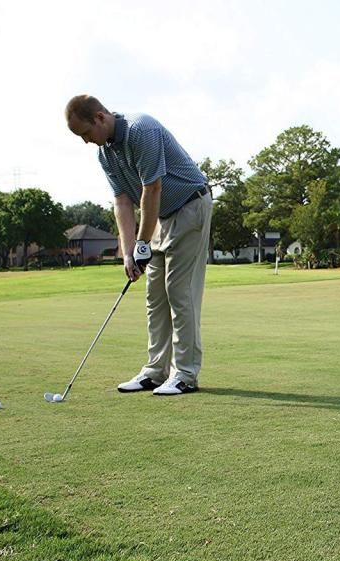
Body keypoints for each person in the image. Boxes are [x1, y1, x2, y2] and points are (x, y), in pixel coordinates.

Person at [65, 95, 212, 396]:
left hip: (189, 206)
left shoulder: (140, 130)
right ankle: (156, 371)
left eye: (86, 133)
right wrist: (129, 252)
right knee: (154, 295)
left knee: (179, 292)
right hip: (161, 215)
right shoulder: (106, 154)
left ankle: (184, 374)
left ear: (100, 118)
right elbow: (122, 201)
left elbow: (152, 188)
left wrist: (143, 243)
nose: (86, 141)